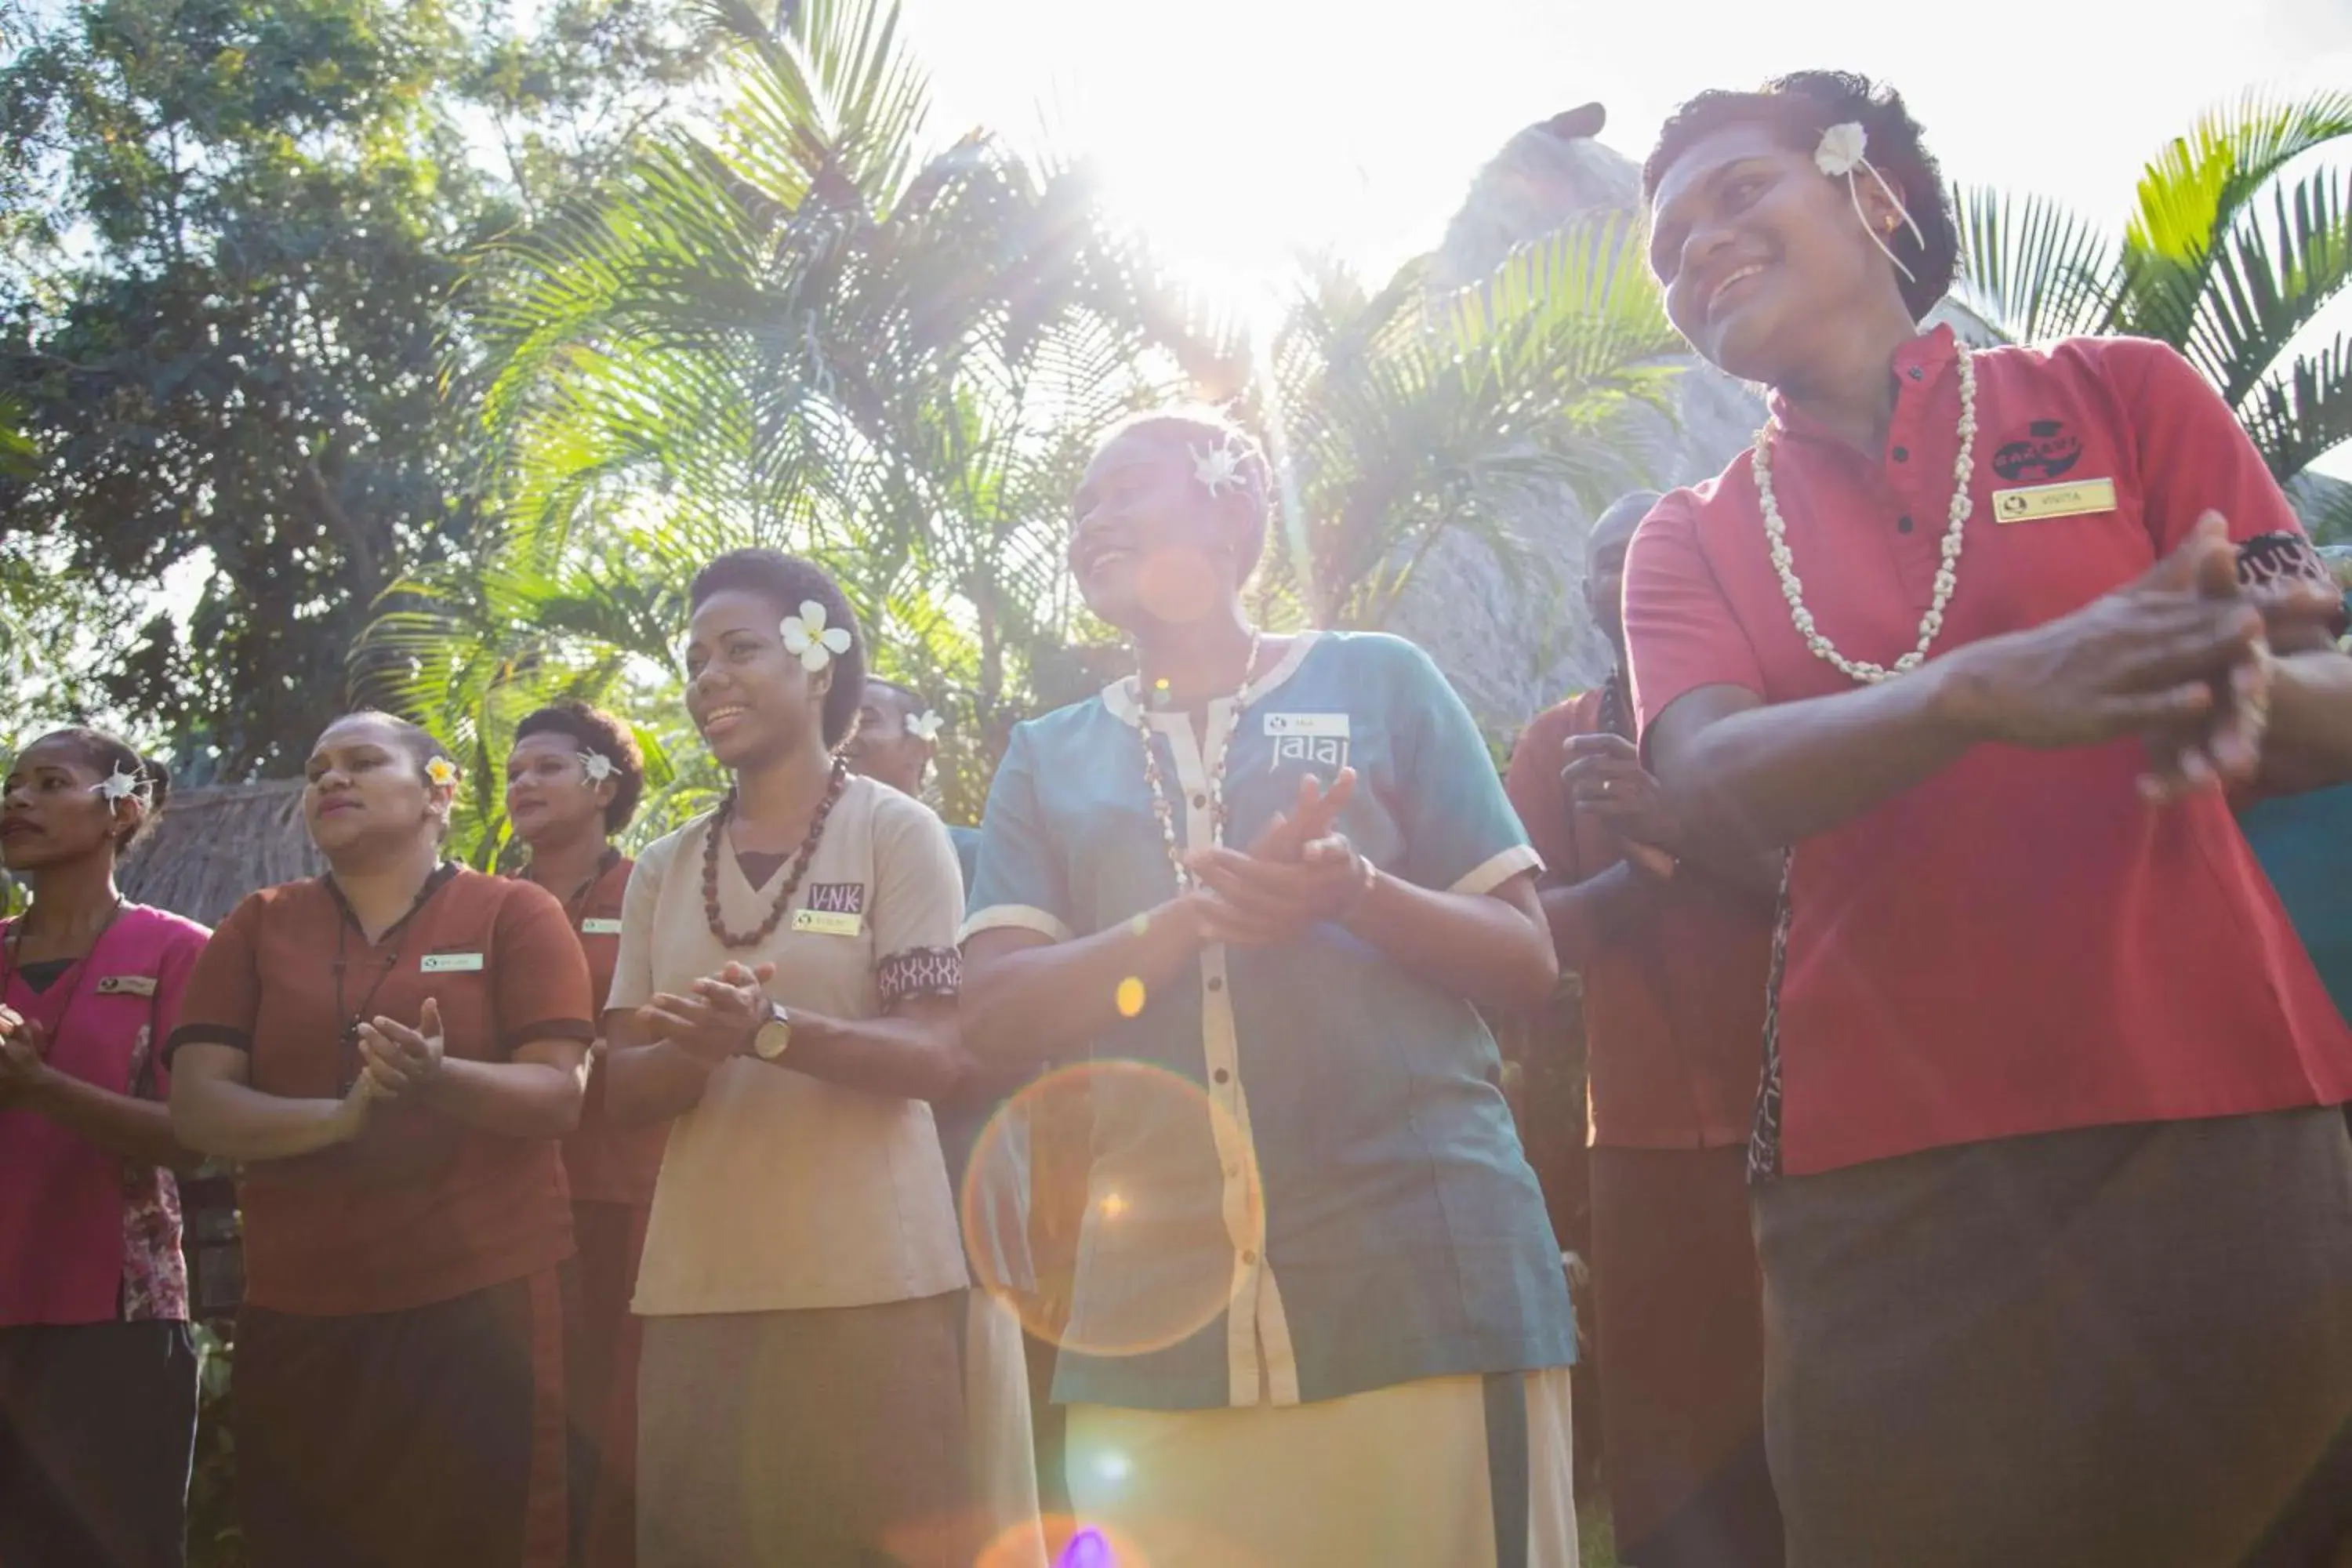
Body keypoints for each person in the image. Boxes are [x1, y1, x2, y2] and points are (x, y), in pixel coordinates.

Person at [1623, 70, 2352, 1567]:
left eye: (1738, 191)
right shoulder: (1683, 539)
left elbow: (2318, 678)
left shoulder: (2121, 393)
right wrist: (1984, 690)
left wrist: (2222, 695)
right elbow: (1705, 780)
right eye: (1669, 240)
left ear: (1870, 187)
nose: (1699, 244)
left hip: (2219, 1124)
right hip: (1886, 1183)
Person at [960, 406, 1580, 1566]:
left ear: (1234, 505)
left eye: (1125, 488)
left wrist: (1354, 892)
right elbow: (992, 1015)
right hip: (1153, 1316)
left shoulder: (1380, 680)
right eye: (1080, 507)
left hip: (1423, 1280)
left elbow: (1526, 960)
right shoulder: (1047, 755)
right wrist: (1175, 924)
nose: (1093, 520)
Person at [600, 550, 1002, 1568]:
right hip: (701, 1287)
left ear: (820, 669)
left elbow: (940, 1055)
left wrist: (772, 1033)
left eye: (740, 650)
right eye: (694, 661)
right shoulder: (663, 866)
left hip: (874, 1281)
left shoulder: (897, 833)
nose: (707, 680)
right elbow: (618, 1085)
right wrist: (696, 1052)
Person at [168, 711, 594, 1568]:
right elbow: (198, 1107)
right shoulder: (259, 923)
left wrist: (440, 1077)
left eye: (363, 761)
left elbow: (558, 1093)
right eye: (318, 766)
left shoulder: (515, 910)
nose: (331, 779)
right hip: (299, 1307)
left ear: (440, 792)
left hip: (486, 1306)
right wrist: (341, 1116)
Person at [1506, 492, 1783, 1568]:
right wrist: (1639, 874)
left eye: (1645, 561)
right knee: (1665, 1440)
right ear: (1584, 597)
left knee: (1807, 1416)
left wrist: (1682, 830)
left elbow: (1839, 887)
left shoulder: (1772, 722)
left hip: (1807, 1121)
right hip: (1638, 1140)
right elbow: (1529, 940)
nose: (1624, 585)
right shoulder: (1559, 744)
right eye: (1603, 568)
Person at [844, 673, 1053, 1551]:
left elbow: (1009, 1020)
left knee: (980, 1415)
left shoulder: (976, 857)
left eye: (871, 720)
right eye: (841, 720)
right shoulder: (805, 865)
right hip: (839, 1177)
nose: (849, 736)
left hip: (965, 1156)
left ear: (921, 746)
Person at [0, 729, 205, 1568]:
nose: (17, 800)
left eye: (50, 782)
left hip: (118, 1323)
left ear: (122, 807)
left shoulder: (178, 948)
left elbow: (198, 1136)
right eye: (13, 784)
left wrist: (40, 1085)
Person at [504, 700, 655, 1566]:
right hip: (507, 1198)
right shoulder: (479, 898)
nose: (524, 781)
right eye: (516, 770)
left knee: (615, 1418)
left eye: (548, 766)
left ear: (604, 783)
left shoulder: (655, 885)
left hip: (624, 1192)